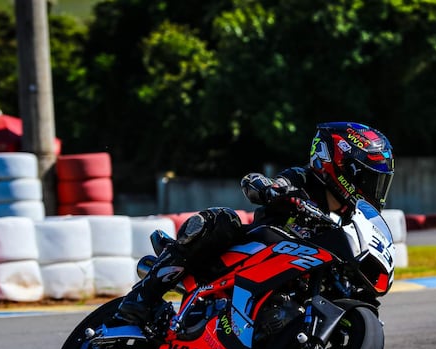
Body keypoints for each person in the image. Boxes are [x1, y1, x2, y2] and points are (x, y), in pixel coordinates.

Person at [117, 121, 395, 326]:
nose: (374, 189)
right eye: (369, 179)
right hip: (254, 252)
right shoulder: (303, 180)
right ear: (342, 166)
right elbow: (271, 184)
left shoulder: (352, 221)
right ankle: (141, 299)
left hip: (296, 280)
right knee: (222, 219)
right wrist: (271, 188)